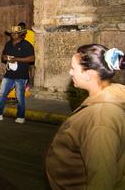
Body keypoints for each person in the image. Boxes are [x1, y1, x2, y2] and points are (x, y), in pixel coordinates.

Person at [45, 44, 125, 190]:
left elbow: (101, 180)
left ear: (88, 74)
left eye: (73, 68)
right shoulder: (104, 98)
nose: (70, 72)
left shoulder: (101, 120)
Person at [0, 25, 35, 123]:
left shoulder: (26, 45)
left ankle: (21, 116)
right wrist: (6, 58)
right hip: (9, 74)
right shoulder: (8, 44)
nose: (13, 35)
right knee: (2, 94)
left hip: (21, 75)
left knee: (20, 96)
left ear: (21, 34)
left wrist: (16, 59)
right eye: (12, 33)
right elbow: (3, 56)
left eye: (15, 33)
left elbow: (31, 59)